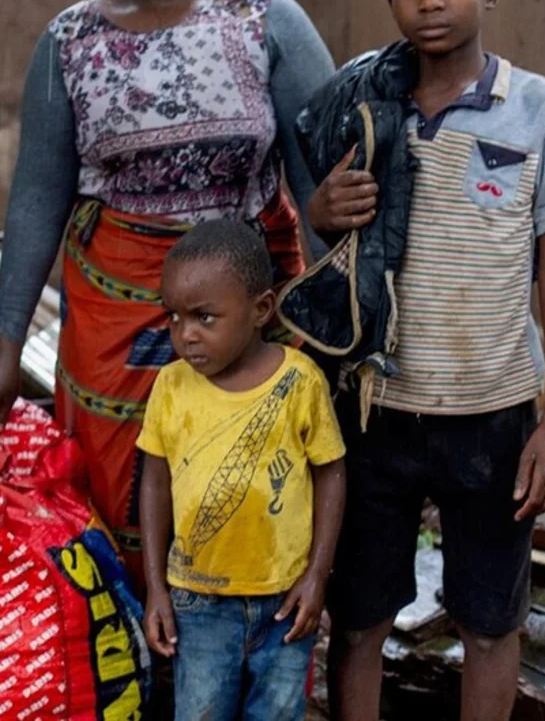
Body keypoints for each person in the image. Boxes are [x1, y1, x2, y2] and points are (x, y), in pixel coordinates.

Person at [0, 0, 337, 576]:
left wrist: (341, 328)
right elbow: (37, 197)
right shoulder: (69, 40)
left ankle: (238, 654)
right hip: (117, 308)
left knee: (249, 470)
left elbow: (321, 186)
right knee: (117, 474)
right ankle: (131, 657)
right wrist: (4, 344)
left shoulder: (268, 22)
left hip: (254, 303)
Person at [311, 0, 545, 721]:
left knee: (487, 616)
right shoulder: (364, 104)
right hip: (373, 409)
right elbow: (325, 234)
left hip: (494, 413)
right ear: (390, 0)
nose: (429, 2)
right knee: (362, 614)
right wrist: (322, 208)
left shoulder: (541, 109)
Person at [136, 220, 346, 721]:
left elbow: (331, 474)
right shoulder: (172, 387)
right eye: (174, 317)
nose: (185, 335)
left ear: (260, 310)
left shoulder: (299, 383)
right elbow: (155, 482)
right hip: (199, 602)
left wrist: (317, 577)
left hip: (284, 603)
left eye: (205, 318)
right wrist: (156, 588)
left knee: (276, 714)